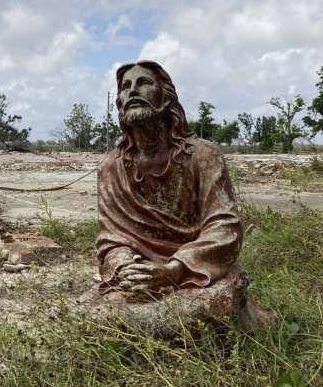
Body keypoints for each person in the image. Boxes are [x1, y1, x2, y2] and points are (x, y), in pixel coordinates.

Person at [94, 61, 272, 327]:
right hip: (141, 273)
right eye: (125, 87)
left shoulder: (203, 156)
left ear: (166, 98)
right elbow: (111, 239)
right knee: (100, 315)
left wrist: (173, 269)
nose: (132, 91)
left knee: (208, 306)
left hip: (195, 269)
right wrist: (125, 269)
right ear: (119, 102)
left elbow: (224, 227)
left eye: (143, 83)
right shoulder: (111, 167)